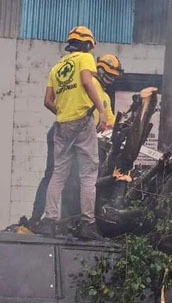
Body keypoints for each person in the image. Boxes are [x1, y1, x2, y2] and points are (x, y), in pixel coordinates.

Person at [33, 26, 109, 239]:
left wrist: (65, 112)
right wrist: (101, 111)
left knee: (59, 173)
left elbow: (47, 101)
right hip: (83, 121)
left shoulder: (56, 67)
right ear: (86, 45)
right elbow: (87, 82)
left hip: (62, 124)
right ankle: (88, 223)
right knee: (88, 173)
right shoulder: (84, 58)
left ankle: (49, 220)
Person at [29, 55, 122, 228]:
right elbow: (87, 117)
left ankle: (52, 219)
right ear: (100, 70)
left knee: (61, 175)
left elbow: (109, 121)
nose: (110, 80)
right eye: (109, 75)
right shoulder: (90, 83)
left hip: (71, 131)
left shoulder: (105, 96)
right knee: (61, 176)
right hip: (73, 132)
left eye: (113, 77)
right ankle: (43, 219)